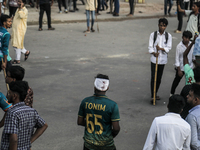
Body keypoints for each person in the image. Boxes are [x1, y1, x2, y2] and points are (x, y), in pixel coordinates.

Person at [0, 81, 48, 150]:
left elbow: (14, 139)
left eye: (9, 93)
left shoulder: (11, 113)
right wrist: (29, 142)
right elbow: (44, 125)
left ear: (14, 96)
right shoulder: (31, 111)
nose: (7, 96)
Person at [77, 74, 120, 150]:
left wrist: (92, 125)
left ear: (94, 87)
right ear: (107, 88)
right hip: (106, 145)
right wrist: (110, 135)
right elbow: (116, 128)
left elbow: (80, 122)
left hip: (88, 144)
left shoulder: (85, 101)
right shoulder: (112, 105)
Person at [148, 18, 172, 103]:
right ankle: (153, 95)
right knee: (153, 77)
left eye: (164, 26)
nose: (162, 27)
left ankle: (155, 92)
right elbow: (150, 47)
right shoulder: (153, 35)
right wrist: (154, 53)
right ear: (158, 25)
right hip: (154, 60)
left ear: (166, 27)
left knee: (159, 78)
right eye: (161, 25)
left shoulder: (168, 36)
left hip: (162, 60)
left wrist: (161, 49)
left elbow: (168, 48)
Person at [170, 31, 194, 96]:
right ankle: (171, 93)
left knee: (189, 82)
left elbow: (193, 57)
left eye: (189, 38)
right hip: (181, 67)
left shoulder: (191, 45)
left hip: (189, 67)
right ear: (182, 37)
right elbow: (177, 59)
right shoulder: (179, 46)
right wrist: (179, 70)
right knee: (176, 81)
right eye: (186, 38)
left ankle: (189, 94)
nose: (187, 40)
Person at [11, 0, 30, 64]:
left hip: (20, 30)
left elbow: (22, 16)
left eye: (20, 2)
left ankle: (17, 59)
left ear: (23, 3)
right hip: (15, 29)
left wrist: (21, 8)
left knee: (17, 45)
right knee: (15, 44)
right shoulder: (18, 9)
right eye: (18, 2)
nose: (18, 3)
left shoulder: (24, 10)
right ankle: (26, 52)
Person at [185, 83, 200, 149]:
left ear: (196, 100)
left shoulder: (192, 116)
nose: (187, 96)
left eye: (190, 95)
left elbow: (194, 143)